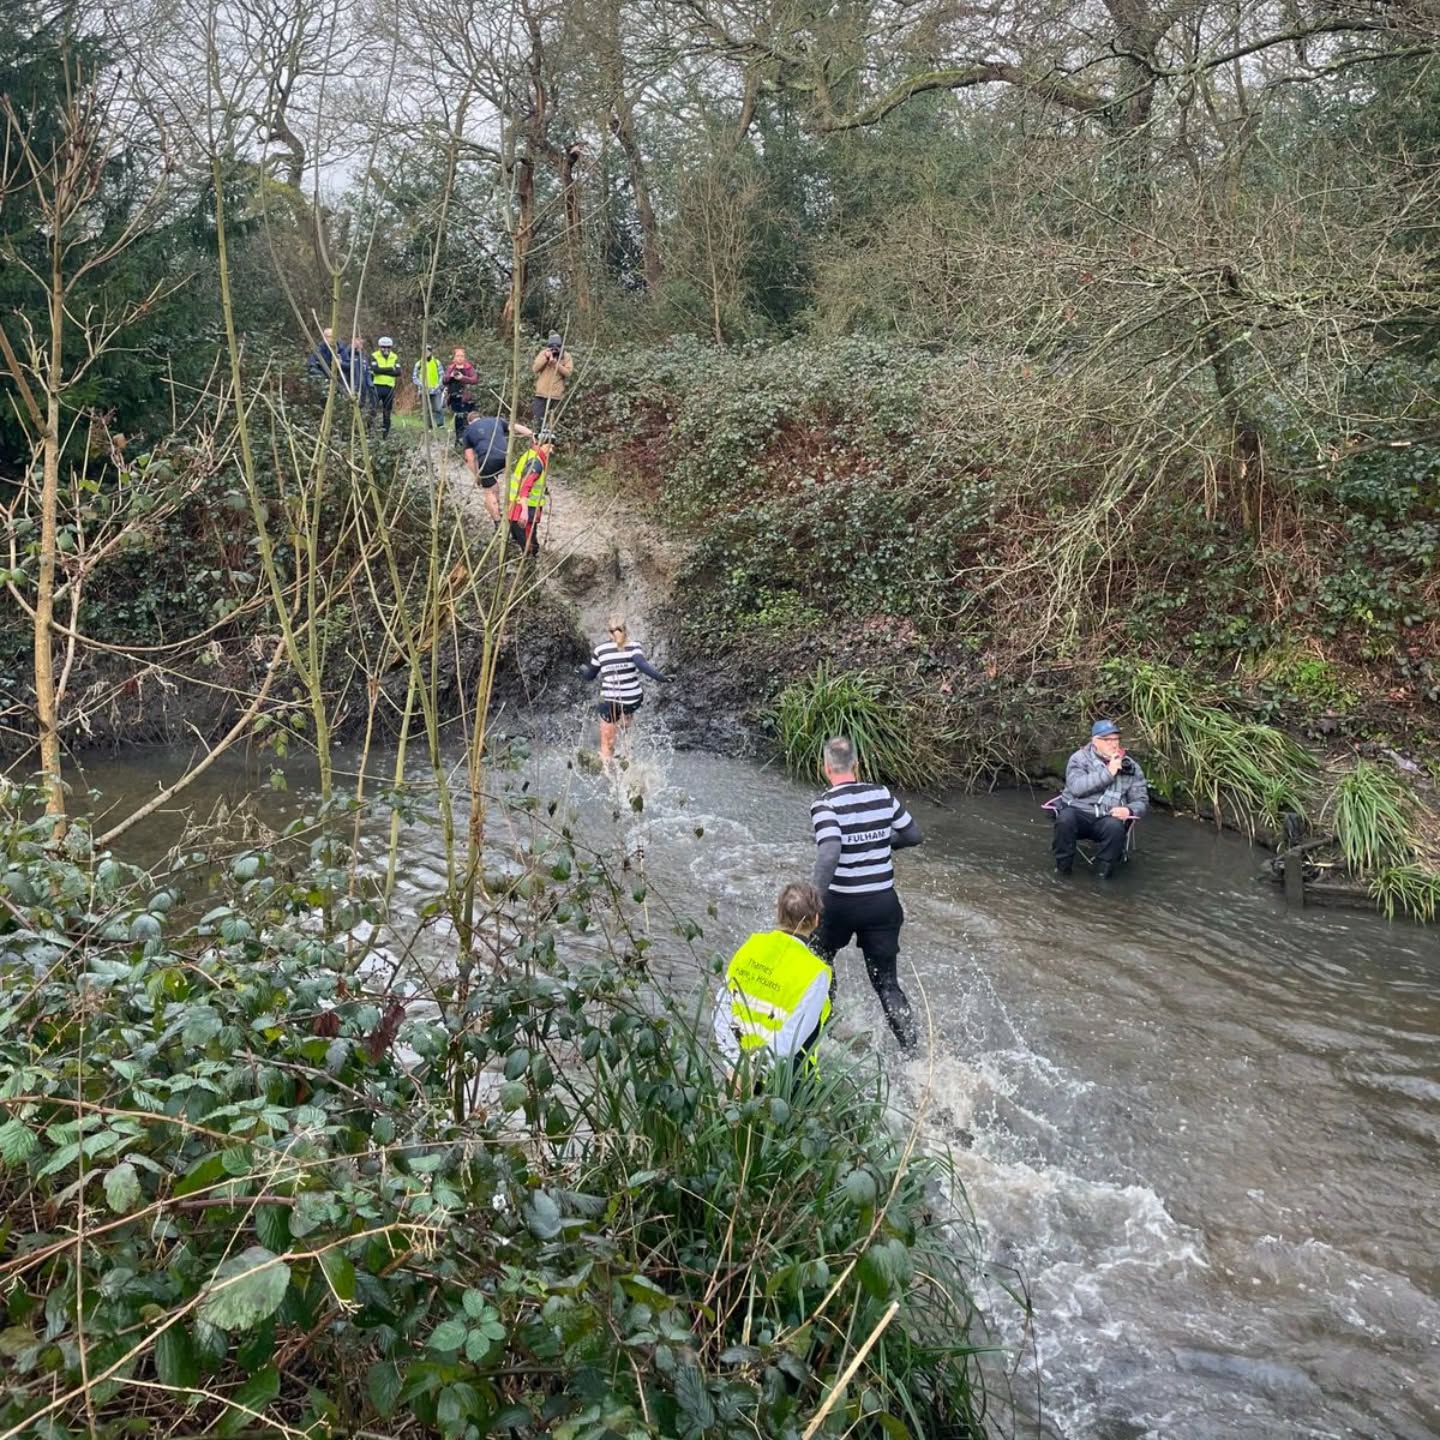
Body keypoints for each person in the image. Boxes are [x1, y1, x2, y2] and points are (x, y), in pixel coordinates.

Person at [810, 736, 921, 1052]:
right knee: (887, 984)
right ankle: (912, 1053)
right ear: (857, 765)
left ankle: (825, 1035)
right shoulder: (883, 795)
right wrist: (882, 844)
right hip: (882, 904)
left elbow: (830, 851)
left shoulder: (825, 804)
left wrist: (813, 899)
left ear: (826, 767)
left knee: (819, 965)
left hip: (839, 905)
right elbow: (913, 834)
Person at [714, 882, 832, 1086]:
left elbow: (721, 1013)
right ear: (816, 920)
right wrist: (754, 1072)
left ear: (778, 913)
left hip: (736, 1073)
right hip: (788, 1083)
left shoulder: (750, 947)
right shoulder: (816, 972)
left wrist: (736, 1065)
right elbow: (792, 1040)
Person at [1052, 719, 1149, 879]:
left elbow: (1141, 801)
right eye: (1108, 740)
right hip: (1079, 813)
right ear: (1095, 741)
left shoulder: (1131, 767)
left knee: (1115, 828)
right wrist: (1108, 773)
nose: (1114, 744)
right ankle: (1062, 872)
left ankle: (1102, 877)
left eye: (1116, 739)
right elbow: (1076, 787)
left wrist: (1129, 809)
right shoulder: (1079, 759)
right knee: (1065, 819)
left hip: (1107, 817)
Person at [577, 617, 670, 761]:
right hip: (633, 699)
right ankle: (626, 751)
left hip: (610, 700)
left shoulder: (600, 650)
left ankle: (610, 774)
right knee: (625, 716)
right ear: (626, 630)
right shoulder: (634, 646)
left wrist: (581, 670)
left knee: (606, 744)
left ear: (608, 633)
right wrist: (662, 678)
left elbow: (590, 676)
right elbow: (642, 665)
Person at [462, 410, 534, 523]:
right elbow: (515, 426)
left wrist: (477, 475)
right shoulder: (495, 420)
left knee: (489, 490)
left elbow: (470, 458)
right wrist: (531, 434)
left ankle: (497, 521)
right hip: (505, 457)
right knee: (499, 484)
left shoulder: (468, 431)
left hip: (487, 459)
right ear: (482, 417)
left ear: (469, 422)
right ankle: (507, 509)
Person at [506, 438, 552, 556]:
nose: (551, 451)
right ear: (542, 445)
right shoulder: (536, 462)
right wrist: (525, 511)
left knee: (521, 541)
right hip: (525, 509)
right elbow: (525, 485)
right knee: (529, 547)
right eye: (550, 446)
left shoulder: (530, 455)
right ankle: (529, 567)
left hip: (515, 507)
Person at [530, 332, 573, 437]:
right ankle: (537, 442)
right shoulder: (543, 353)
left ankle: (550, 444)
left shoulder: (566, 356)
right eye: (552, 347)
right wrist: (546, 358)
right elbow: (535, 369)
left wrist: (555, 364)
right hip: (541, 394)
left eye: (557, 347)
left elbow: (568, 373)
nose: (554, 350)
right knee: (538, 422)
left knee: (551, 425)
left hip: (556, 395)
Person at [444, 348, 478, 445]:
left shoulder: (468, 368)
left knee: (467, 419)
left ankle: (468, 440)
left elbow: (474, 380)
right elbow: (444, 380)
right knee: (458, 419)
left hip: (466, 397)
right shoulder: (451, 368)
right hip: (454, 398)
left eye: (462, 356)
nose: (460, 358)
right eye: (458, 356)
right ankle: (458, 441)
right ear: (454, 357)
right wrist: (450, 376)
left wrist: (462, 378)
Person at [371, 336, 401, 435]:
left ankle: (386, 434)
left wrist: (382, 370)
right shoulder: (374, 355)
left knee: (387, 412)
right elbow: (375, 370)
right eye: (384, 347)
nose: (386, 349)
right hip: (377, 386)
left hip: (389, 387)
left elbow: (398, 372)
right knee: (373, 410)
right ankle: (371, 432)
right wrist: (390, 369)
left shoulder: (394, 356)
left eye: (388, 347)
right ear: (380, 347)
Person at [413, 347, 445, 430]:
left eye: (428, 351)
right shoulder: (419, 363)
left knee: (437, 407)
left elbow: (442, 375)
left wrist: (438, 385)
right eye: (424, 352)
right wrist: (422, 385)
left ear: (431, 352)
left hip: (436, 390)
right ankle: (429, 426)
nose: (426, 353)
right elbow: (414, 378)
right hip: (423, 391)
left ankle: (440, 424)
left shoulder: (437, 362)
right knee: (426, 410)